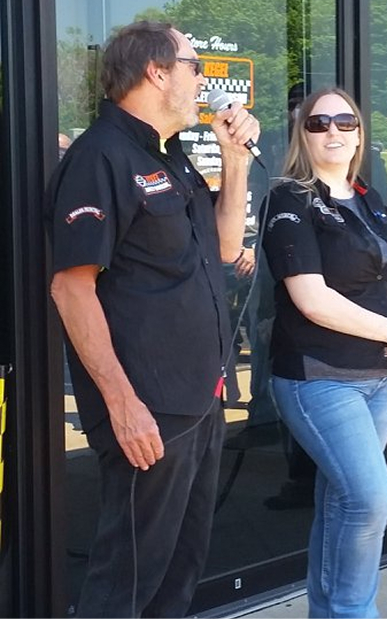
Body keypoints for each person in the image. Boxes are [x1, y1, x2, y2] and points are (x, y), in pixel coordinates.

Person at [46, 21, 260, 617]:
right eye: (195, 66)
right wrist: (122, 404)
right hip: (149, 409)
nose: (203, 81)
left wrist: (235, 160)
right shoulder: (100, 157)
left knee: (179, 570)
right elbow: (71, 289)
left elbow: (220, 249)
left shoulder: (167, 156)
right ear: (157, 71)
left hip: (198, 399)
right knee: (128, 579)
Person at [262, 87, 387, 618]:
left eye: (345, 121)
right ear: (301, 134)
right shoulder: (289, 199)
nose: (333, 131)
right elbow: (312, 299)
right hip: (319, 377)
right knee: (368, 499)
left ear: (359, 131)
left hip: (379, 377)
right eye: (319, 123)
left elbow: (381, 287)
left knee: (342, 502)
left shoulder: (366, 196)